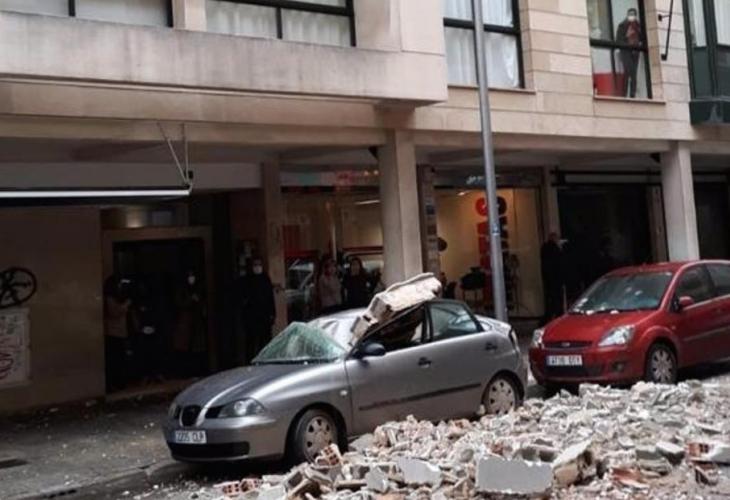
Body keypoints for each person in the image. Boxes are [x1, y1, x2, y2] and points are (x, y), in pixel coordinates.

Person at [242, 258, 276, 361]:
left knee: (265, 340)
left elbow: (270, 298)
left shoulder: (265, 279)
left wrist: (273, 314)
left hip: (265, 316)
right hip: (252, 316)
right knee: (252, 341)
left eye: (259, 265)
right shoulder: (248, 281)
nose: (257, 267)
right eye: (255, 265)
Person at [616, 8, 642, 98]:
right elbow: (618, 40)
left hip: (635, 52)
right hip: (626, 52)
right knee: (628, 73)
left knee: (633, 74)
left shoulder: (638, 26)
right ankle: (624, 94)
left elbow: (642, 38)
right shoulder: (622, 25)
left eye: (633, 14)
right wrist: (627, 36)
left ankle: (632, 95)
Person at [541, 232, 564, 325]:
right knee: (556, 300)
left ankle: (548, 318)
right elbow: (559, 263)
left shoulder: (544, 248)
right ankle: (557, 317)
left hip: (549, 279)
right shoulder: (554, 249)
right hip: (555, 279)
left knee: (550, 300)